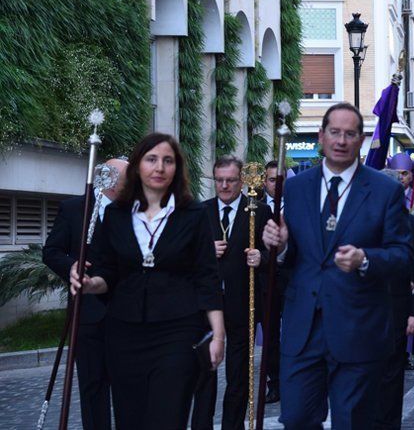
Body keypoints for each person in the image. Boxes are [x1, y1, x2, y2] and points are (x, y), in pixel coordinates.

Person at [261, 103, 412, 429]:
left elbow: (403, 256)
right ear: (321, 136)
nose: (341, 140)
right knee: (297, 418)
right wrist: (282, 244)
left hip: (358, 328)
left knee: (353, 422)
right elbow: (289, 258)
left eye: (350, 134)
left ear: (360, 140)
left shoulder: (386, 191)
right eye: (335, 132)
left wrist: (365, 259)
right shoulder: (296, 188)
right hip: (304, 330)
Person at [70, 133, 225, 429]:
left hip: (178, 331)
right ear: (138, 166)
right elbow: (107, 272)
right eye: (151, 159)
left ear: (176, 168)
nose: (160, 167)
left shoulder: (193, 214)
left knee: (167, 417)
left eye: (168, 161)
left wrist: (218, 335)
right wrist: (89, 283)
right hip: (124, 332)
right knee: (131, 419)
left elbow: (207, 276)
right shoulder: (115, 214)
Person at [42, 158, 128, 430]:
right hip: (87, 314)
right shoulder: (73, 208)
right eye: (129, 178)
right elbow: (51, 252)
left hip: (125, 314)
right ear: (112, 181)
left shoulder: (131, 212)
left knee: (129, 388)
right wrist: (71, 267)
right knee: (92, 388)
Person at [192, 156, 272, 430]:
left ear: (242, 181)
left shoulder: (258, 212)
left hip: (242, 305)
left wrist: (260, 257)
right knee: (205, 373)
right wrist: (204, 252)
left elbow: (275, 255)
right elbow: (184, 258)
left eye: (231, 180)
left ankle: (232, 426)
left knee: (239, 375)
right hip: (206, 307)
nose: (224, 186)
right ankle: (202, 424)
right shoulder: (200, 212)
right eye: (219, 180)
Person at [375, 168, 414, 429]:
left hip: (398, 310)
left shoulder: (413, 225)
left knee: (391, 375)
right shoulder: (361, 221)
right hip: (364, 311)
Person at [260, 159, 284, 404]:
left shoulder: (298, 204)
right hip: (265, 282)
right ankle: (274, 384)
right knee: (270, 337)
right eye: (272, 179)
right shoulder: (254, 206)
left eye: (281, 179)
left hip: (290, 280)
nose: (277, 184)